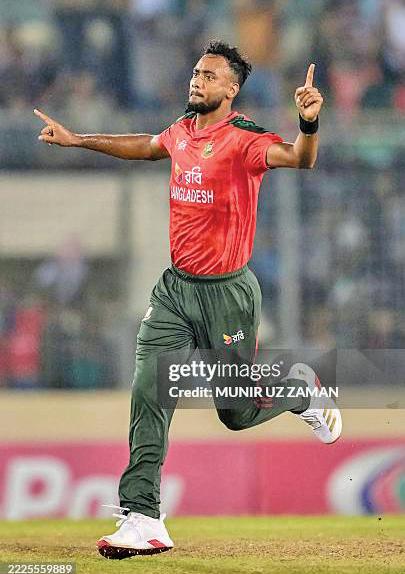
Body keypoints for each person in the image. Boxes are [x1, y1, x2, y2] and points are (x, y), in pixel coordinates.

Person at [34, 41, 341, 559]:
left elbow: (299, 159)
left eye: (210, 75)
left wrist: (308, 123)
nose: (197, 80)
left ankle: (299, 390)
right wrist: (78, 139)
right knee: (148, 390)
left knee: (236, 414)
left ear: (232, 88)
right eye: (196, 72)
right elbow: (146, 145)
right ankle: (143, 518)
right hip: (175, 291)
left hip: (228, 296)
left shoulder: (244, 139)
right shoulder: (181, 131)